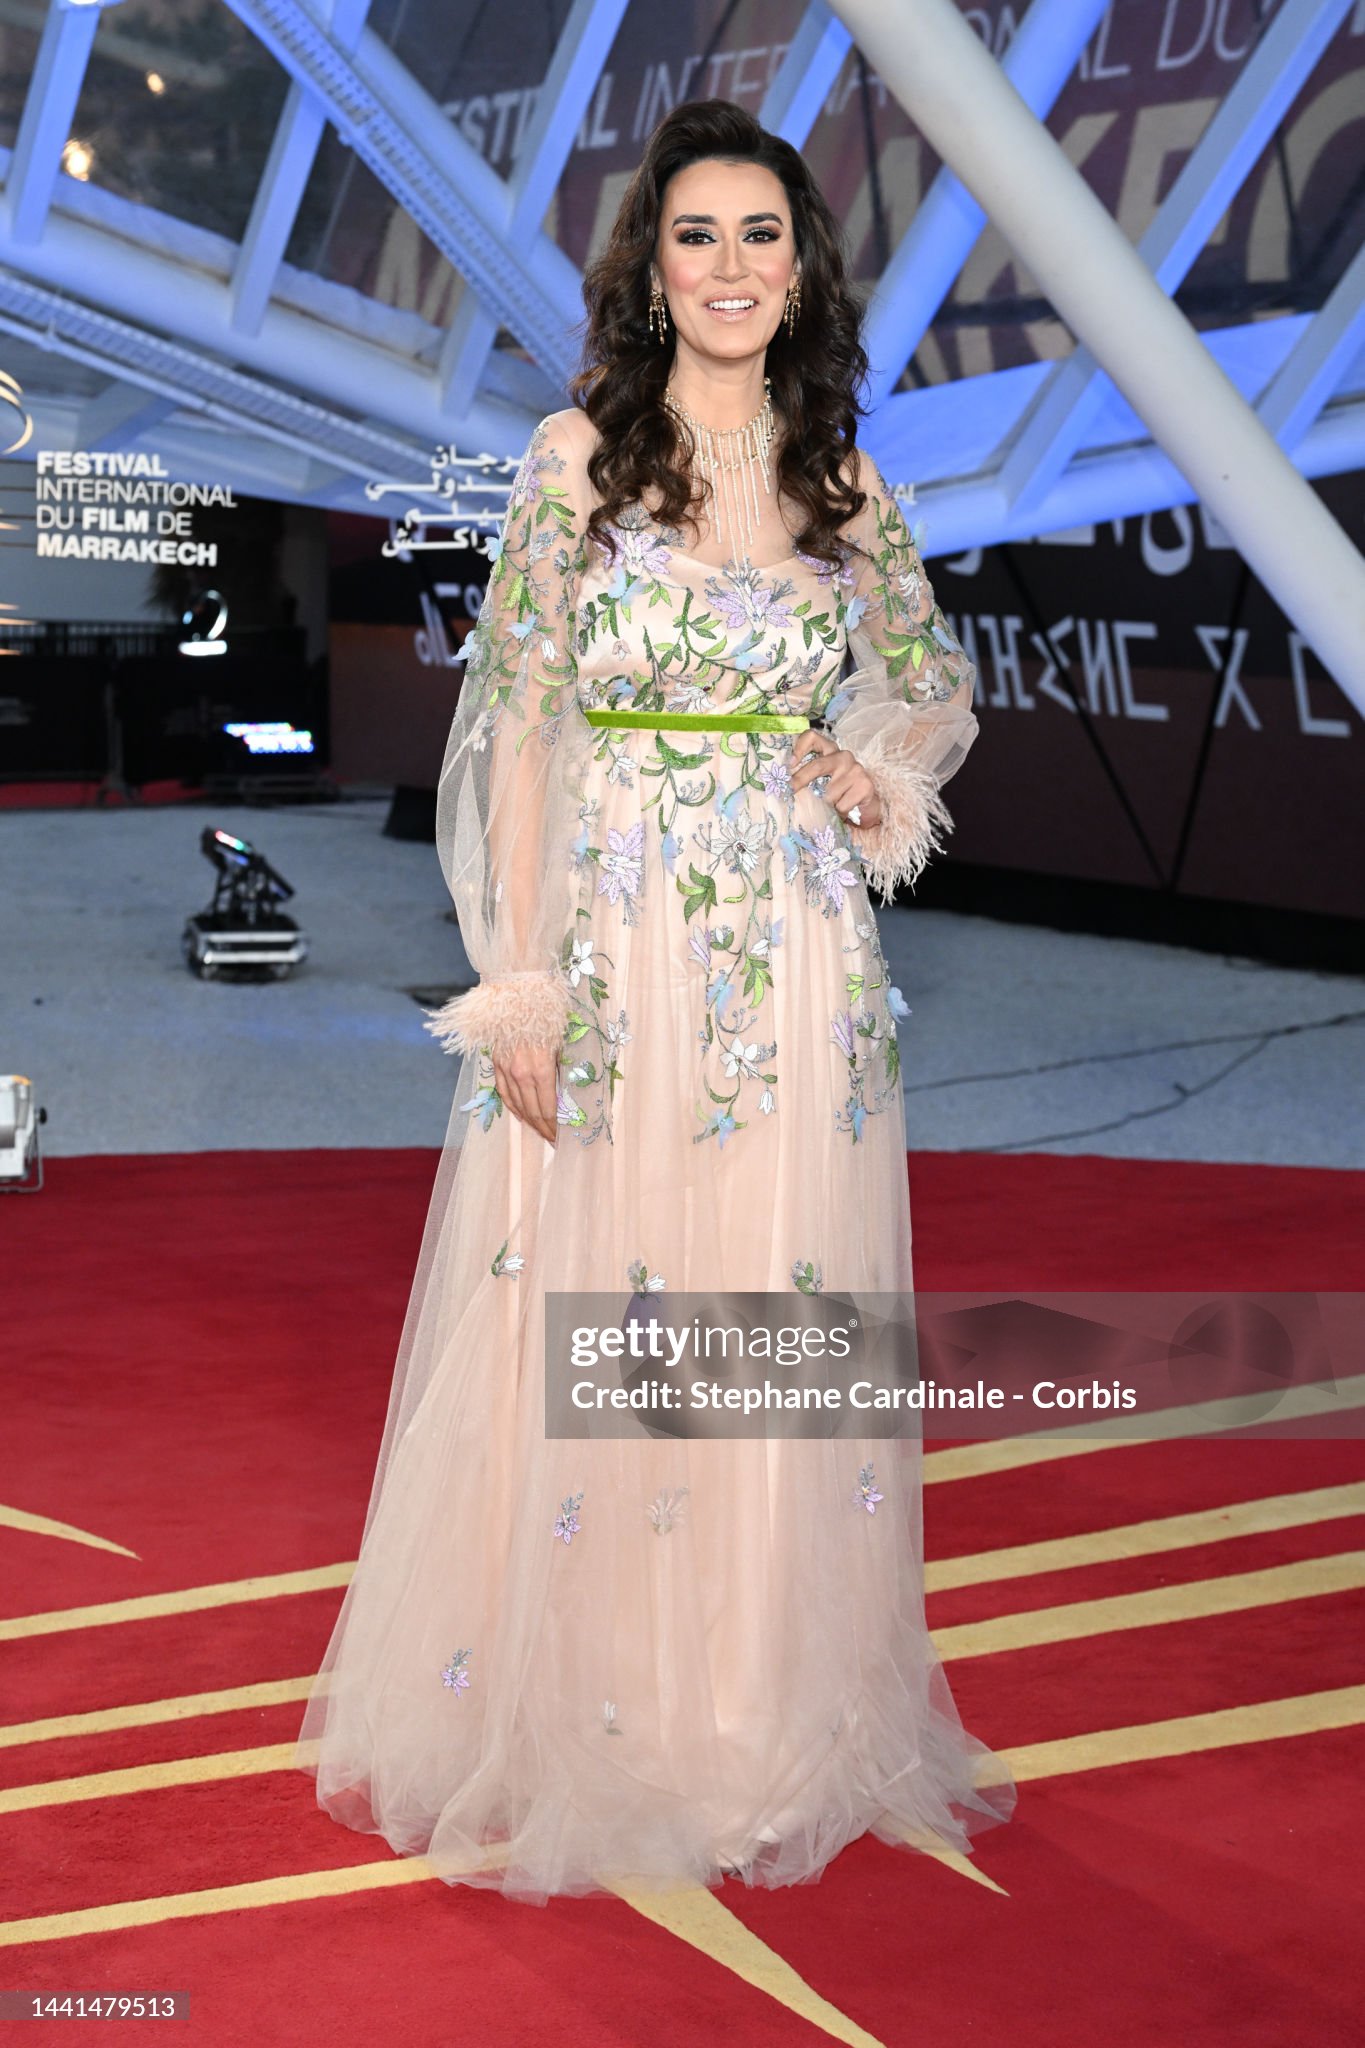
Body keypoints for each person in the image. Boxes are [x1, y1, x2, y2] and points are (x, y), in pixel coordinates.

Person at [294, 97, 1016, 1906]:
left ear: (801, 266)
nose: (729, 269)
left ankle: (750, 1721)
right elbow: (515, 727)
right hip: (612, 938)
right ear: (650, 267)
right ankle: (587, 1713)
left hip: (791, 947)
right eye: (695, 236)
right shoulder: (573, 467)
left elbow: (930, 684)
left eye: (760, 235)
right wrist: (518, 978)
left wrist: (870, 764)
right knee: (605, 1302)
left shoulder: (848, 479)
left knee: (766, 1304)